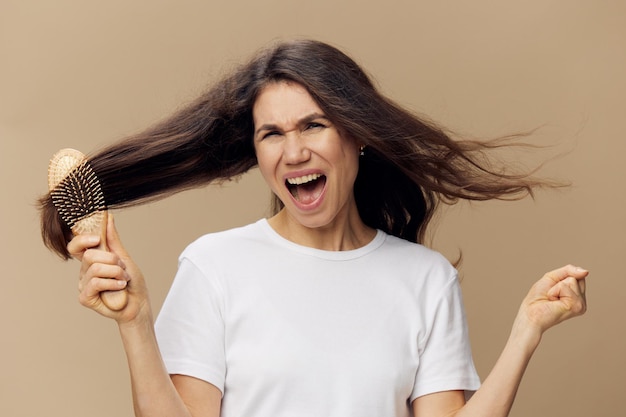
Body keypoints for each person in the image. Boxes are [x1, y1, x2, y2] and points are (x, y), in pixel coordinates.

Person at [40, 39, 588, 417]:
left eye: (313, 125)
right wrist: (136, 324)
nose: (294, 151)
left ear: (358, 135)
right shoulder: (213, 266)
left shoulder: (426, 278)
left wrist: (526, 333)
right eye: (271, 134)